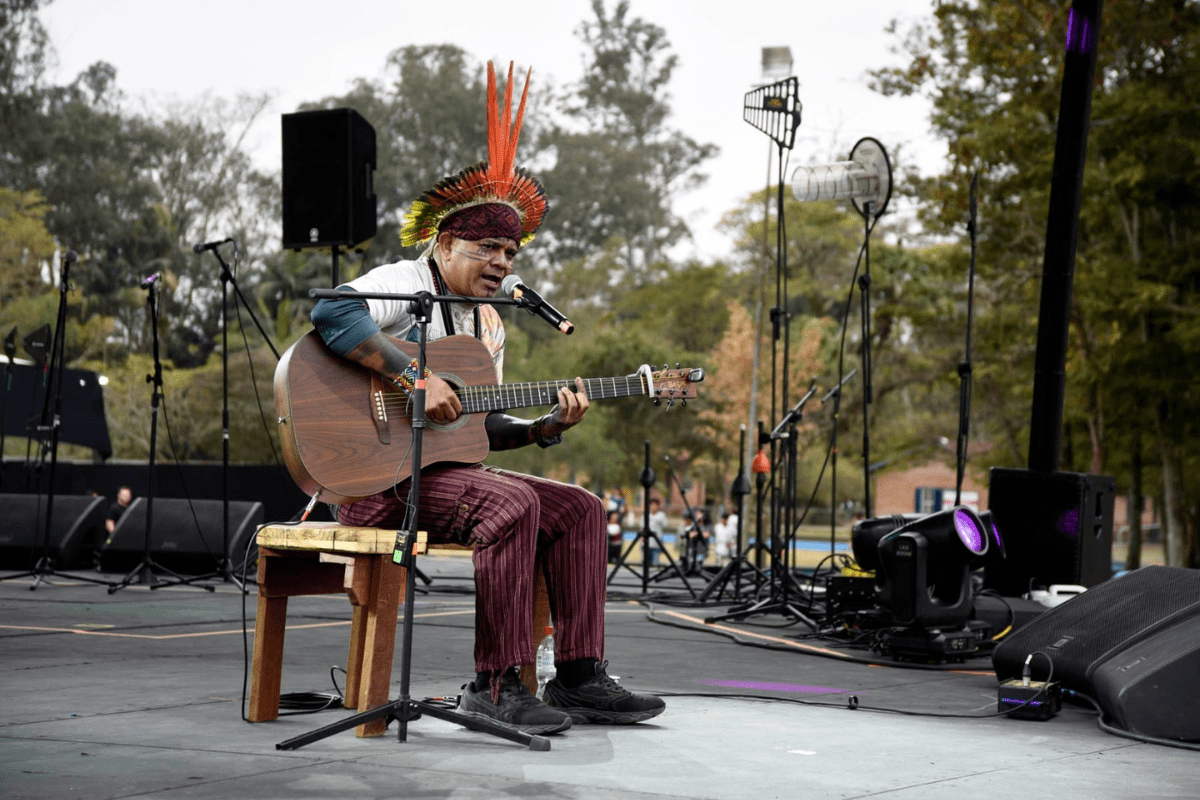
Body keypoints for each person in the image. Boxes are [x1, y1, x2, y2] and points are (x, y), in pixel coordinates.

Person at [309, 61, 663, 736]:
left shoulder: (489, 325)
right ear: (446, 244)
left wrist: (543, 428)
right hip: (373, 477)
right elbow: (333, 312)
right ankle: (494, 684)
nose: (502, 263)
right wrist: (413, 379)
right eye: (488, 248)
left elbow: (478, 425)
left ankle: (579, 676)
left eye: (511, 252)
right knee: (511, 503)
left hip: (446, 476)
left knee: (582, 509)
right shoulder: (407, 280)